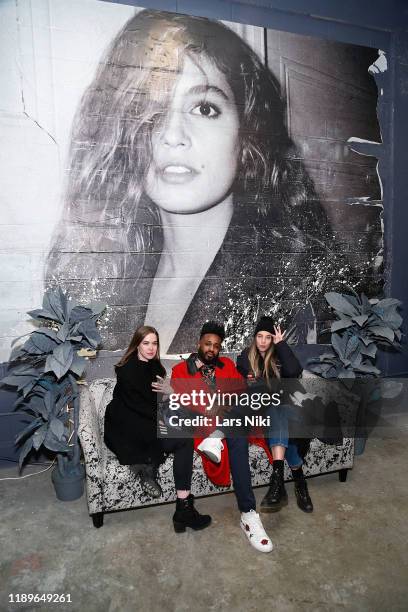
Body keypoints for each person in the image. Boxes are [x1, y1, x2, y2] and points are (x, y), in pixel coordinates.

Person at [45, 9, 342, 356]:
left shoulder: (302, 292)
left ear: (248, 137)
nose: (172, 135)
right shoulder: (106, 279)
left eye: (204, 108)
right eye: (150, 108)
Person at [171, 321, 273, 553]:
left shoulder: (226, 364)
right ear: (199, 343)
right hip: (205, 425)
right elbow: (189, 402)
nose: (211, 350)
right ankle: (248, 512)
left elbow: (241, 393)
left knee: (259, 392)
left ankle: (248, 514)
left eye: (216, 346)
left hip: (230, 417)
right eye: (208, 344)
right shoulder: (180, 370)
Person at [104, 325, 211, 533]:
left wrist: (171, 394)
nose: (151, 348)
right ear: (137, 345)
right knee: (184, 434)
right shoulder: (128, 370)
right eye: (146, 343)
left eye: (154, 343)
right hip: (128, 426)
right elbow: (140, 408)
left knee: (187, 432)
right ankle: (179, 507)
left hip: (147, 421)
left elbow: (159, 402)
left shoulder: (155, 368)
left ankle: (183, 508)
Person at [236, 315, 313, 513]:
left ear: (272, 339)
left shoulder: (279, 355)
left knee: (279, 411)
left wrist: (281, 345)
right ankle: (299, 482)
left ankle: (278, 482)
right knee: (275, 410)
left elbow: (294, 370)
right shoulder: (246, 357)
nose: (262, 341)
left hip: (288, 409)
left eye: (268, 337)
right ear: (254, 338)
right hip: (264, 412)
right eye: (259, 336)